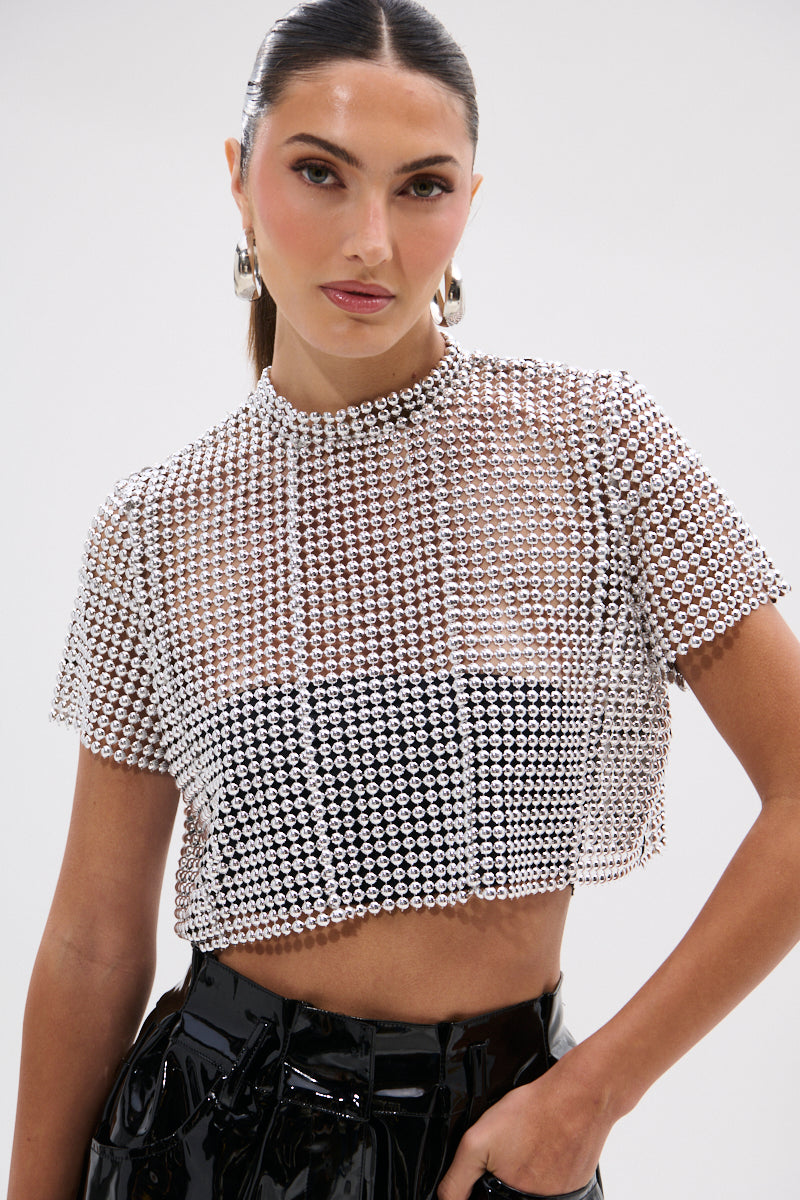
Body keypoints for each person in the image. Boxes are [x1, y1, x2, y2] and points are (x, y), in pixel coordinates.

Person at [8, 0, 800, 1197]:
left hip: (499, 1147)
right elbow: (91, 942)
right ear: (238, 180)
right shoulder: (157, 527)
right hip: (202, 1141)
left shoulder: (596, 450)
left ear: (469, 202)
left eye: (420, 186)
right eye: (318, 173)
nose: (368, 239)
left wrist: (592, 1095)